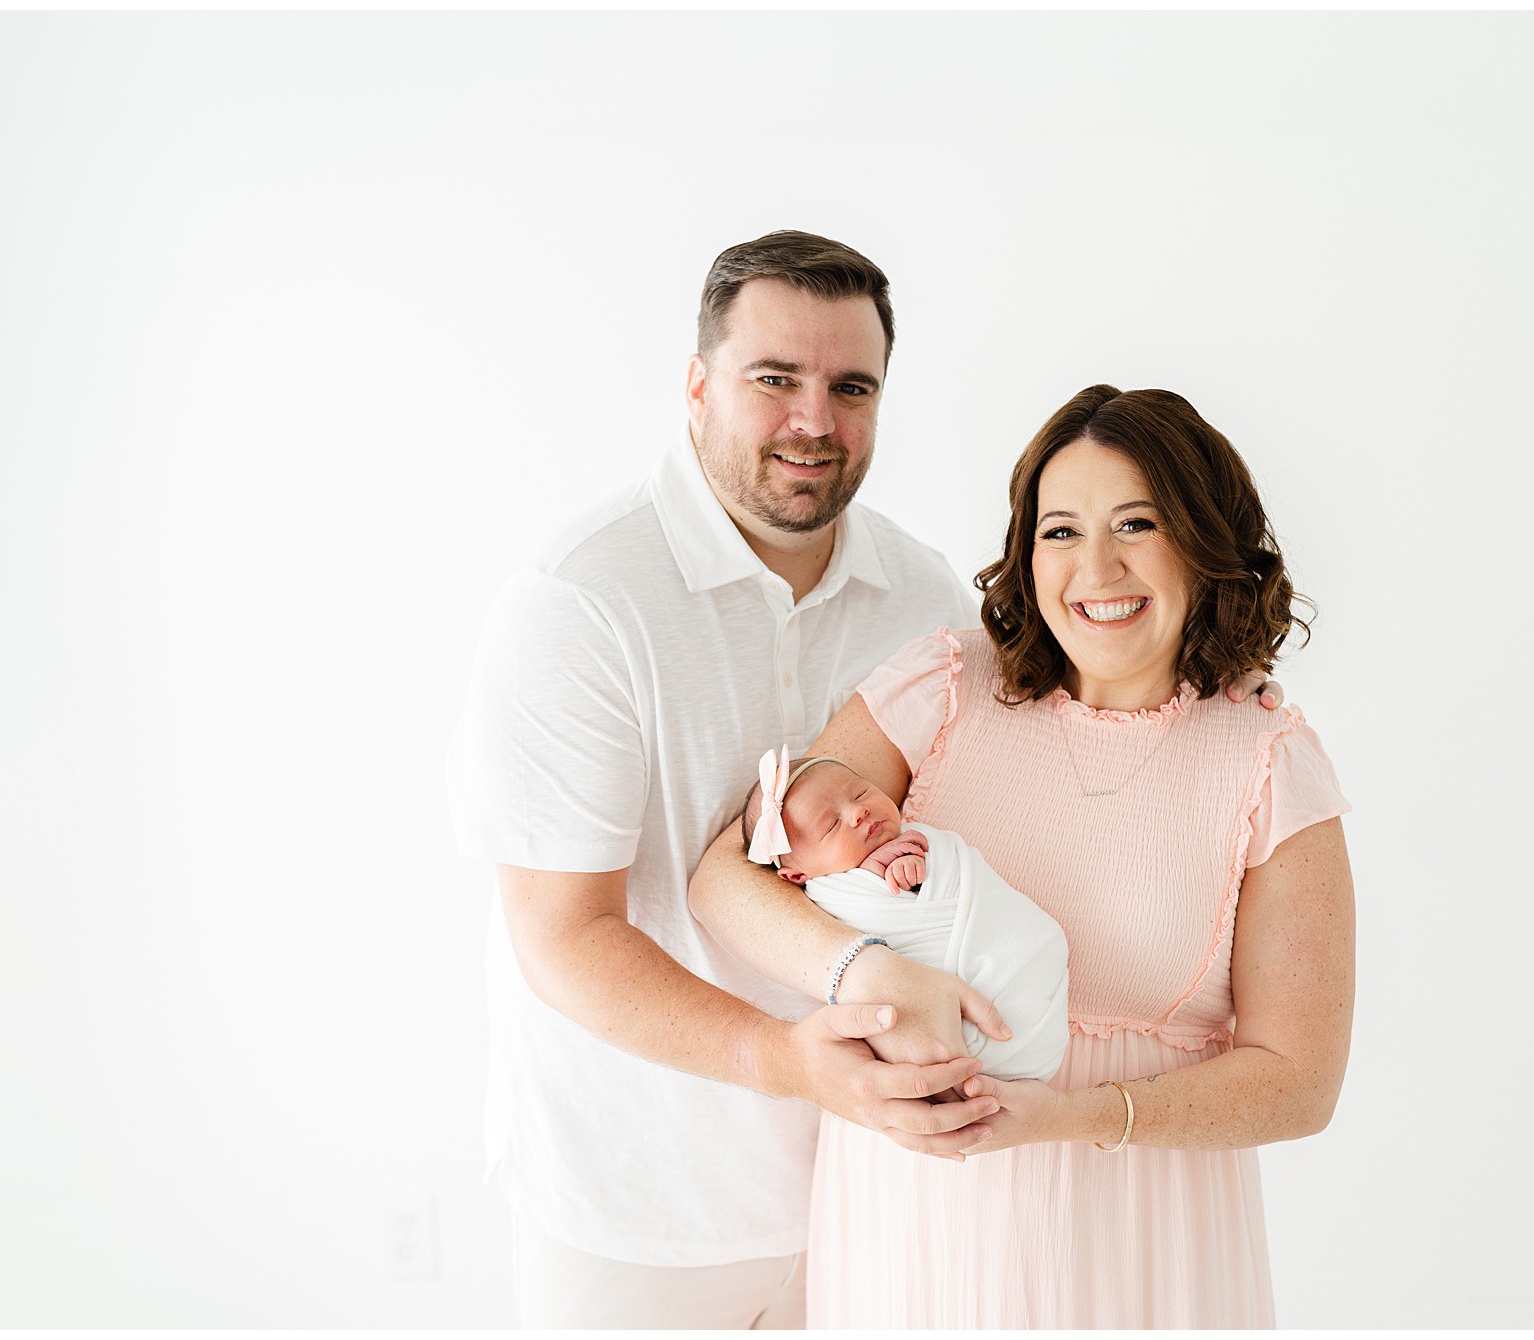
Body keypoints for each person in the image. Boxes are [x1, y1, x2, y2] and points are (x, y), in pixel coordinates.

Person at [690, 384, 1356, 1328]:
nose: (1096, 567)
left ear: (1207, 541)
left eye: (1138, 523)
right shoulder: (945, 685)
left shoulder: (1268, 761)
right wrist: (866, 970)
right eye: (1059, 531)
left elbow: (1299, 1081)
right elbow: (728, 879)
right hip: (918, 1211)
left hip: (1138, 1232)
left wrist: (1072, 1120)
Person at [446, 231, 1014, 1329]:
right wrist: (786, 1060)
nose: (814, 421)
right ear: (697, 384)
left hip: (874, 1183)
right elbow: (563, 932)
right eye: (773, 379)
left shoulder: (924, 597)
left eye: (852, 387)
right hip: (634, 1200)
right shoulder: (581, 599)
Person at [741, 749, 1070, 1082]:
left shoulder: (915, 839)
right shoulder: (830, 895)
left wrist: (922, 865)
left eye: (860, 792)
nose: (857, 811)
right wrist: (886, 876)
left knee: (1041, 946)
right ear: (797, 876)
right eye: (830, 825)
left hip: (1013, 953)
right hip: (936, 1015)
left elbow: (952, 872)